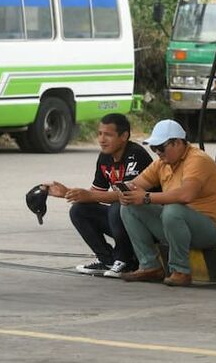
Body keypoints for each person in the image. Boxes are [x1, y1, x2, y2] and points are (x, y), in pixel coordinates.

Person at [118, 119, 216, 287]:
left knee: (173, 210)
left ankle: (181, 271)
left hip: (210, 230)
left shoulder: (197, 160)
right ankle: (150, 267)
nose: (158, 153)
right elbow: (134, 186)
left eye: (161, 148)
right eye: (154, 148)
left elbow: (186, 195)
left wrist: (146, 197)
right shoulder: (162, 163)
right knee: (129, 207)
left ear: (177, 143)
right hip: (178, 225)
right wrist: (90, 196)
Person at [42, 113, 152, 278]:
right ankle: (107, 260)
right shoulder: (104, 157)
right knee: (79, 210)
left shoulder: (135, 154)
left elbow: (127, 194)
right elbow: (96, 194)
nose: (101, 139)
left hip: (145, 220)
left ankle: (126, 260)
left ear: (124, 136)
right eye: (99, 133)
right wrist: (67, 192)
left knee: (119, 206)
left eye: (108, 134)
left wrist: (88, 195)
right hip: (122, 220)